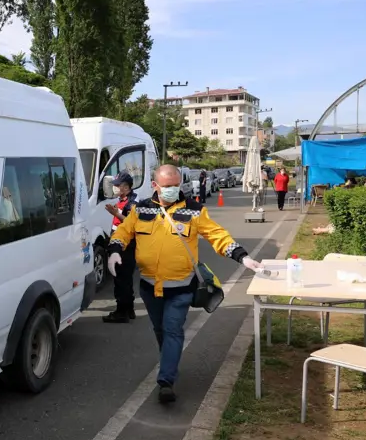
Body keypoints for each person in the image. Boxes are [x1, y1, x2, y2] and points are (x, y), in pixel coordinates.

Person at [107, 165, 261, 403]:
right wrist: (115, 251)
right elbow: (124, 232)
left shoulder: (194, 210)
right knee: (161, 330)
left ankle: (166, 380)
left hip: (180, 287)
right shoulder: (141, 209)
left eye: (175, 185)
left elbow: (217, 235)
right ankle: (170, 358)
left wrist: (242, 256)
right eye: (167, 186)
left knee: (172, 329)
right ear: (155, 186)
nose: (172, 190)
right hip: (149, 288)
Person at [102, 171, 138, 323]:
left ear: (125, 187)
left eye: (117, 186)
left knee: (121, 278)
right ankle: (129, 310)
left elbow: (133, 225)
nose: (115, 188)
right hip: (118, 243)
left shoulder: (133, 203)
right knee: (124, 279)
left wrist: (116, 214)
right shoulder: (122, 200)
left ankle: (121, 312)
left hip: (126, 246)